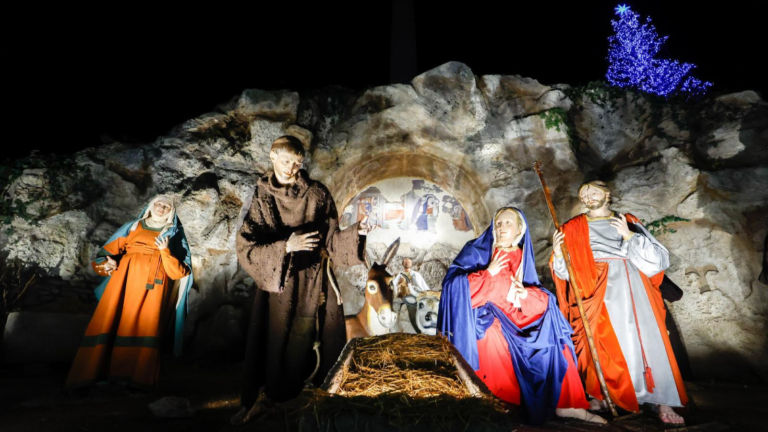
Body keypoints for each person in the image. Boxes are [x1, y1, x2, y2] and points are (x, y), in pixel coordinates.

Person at [233, 135, 374, 425]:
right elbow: (246, 246)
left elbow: (333, 241)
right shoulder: (262, 196)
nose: (292, 169)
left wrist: (358, 232)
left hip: (315, 282)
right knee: (277, 341)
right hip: (280, 284)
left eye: (297, 163)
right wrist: (286, 246)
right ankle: (270, 401)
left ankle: (316, 404)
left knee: (314, 338)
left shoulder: (318, 194)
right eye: (286, 162)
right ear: (272, 158)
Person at [438, 207, 604, 425]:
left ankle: (567, 405)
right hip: (489, 317)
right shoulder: (478, 251)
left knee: (556, 337)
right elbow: (453, 289)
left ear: (519, 230)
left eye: (507, 223)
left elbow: (537, 296)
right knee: (492, 336)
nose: (501, 227)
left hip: (519, 319)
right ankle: (500, 405)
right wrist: (488, 273)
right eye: (498, 223)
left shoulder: (521, 256)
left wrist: (525, 295)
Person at [550, 180, 688, 426]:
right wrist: (558, 253)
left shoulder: (628, 220)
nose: (589, 196)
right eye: (584, 193)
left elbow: (657, 262)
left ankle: (660, 399)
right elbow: (563, 273)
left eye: (594, 191)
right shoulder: (572, 227)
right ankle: (604, 395)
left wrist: (629, 236)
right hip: (594, 289)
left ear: (607, 194)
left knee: (645, 339)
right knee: (601, 341)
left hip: (630, 283)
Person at [66, 195, 193, 391]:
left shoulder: (174, 233)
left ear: (171, 211)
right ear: (150, 206)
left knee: (146, 325)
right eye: (158, 204)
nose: (161, 208)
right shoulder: (132, 227)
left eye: (166, 206)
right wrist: (107, 262)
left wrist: (165, 251)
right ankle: (95, 374)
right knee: (113, 320)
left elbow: (180, 271)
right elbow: (104, 255)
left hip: (154, 286)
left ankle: (137, 379)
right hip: (123, 281)